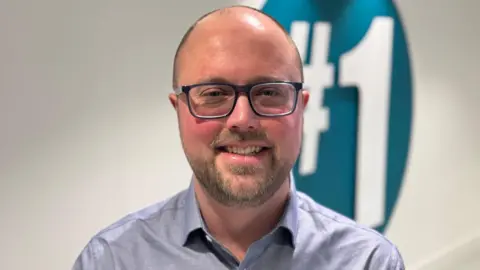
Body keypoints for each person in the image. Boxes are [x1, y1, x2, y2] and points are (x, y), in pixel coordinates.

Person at [72, 5, 405, 270]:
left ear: (300, 108)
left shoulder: (368, 262)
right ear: (179, 109)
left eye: (269, 92)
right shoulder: (112, 261)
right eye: (214, 93)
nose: (242, 119)